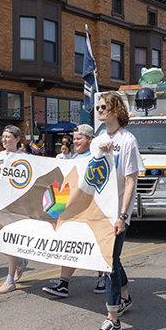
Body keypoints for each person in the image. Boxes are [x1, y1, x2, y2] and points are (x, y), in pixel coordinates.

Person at [91, 92, 145, 330]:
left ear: (115, 110)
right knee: (111, 259)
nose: (100, 110)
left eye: (104, 106)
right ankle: (124, 296)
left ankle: (113, 318)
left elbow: (130, 180)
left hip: (116, 214)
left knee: (109, 262)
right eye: (98, 107)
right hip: (98, 212)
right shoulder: (98, 139)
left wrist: (122, 216)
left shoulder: (128, 140)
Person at [42, 124, 107, 298]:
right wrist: (58, 207)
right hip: (73, 209)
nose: (76, 141)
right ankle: (64, 283)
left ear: (90, 139)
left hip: (92, 208)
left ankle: (103, 277)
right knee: (69, 244)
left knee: (96, 243)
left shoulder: (96, 156)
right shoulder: (74, 158)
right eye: (75, 138)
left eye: (79, 138)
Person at [0, 125, 29, 294]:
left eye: (8, 137)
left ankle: (10, 279)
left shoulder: (24, 158)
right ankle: (19, 261)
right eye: (3, 137)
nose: (4, 140)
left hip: (17, 207)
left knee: (11, 241)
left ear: (17, 139)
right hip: (0, 206)